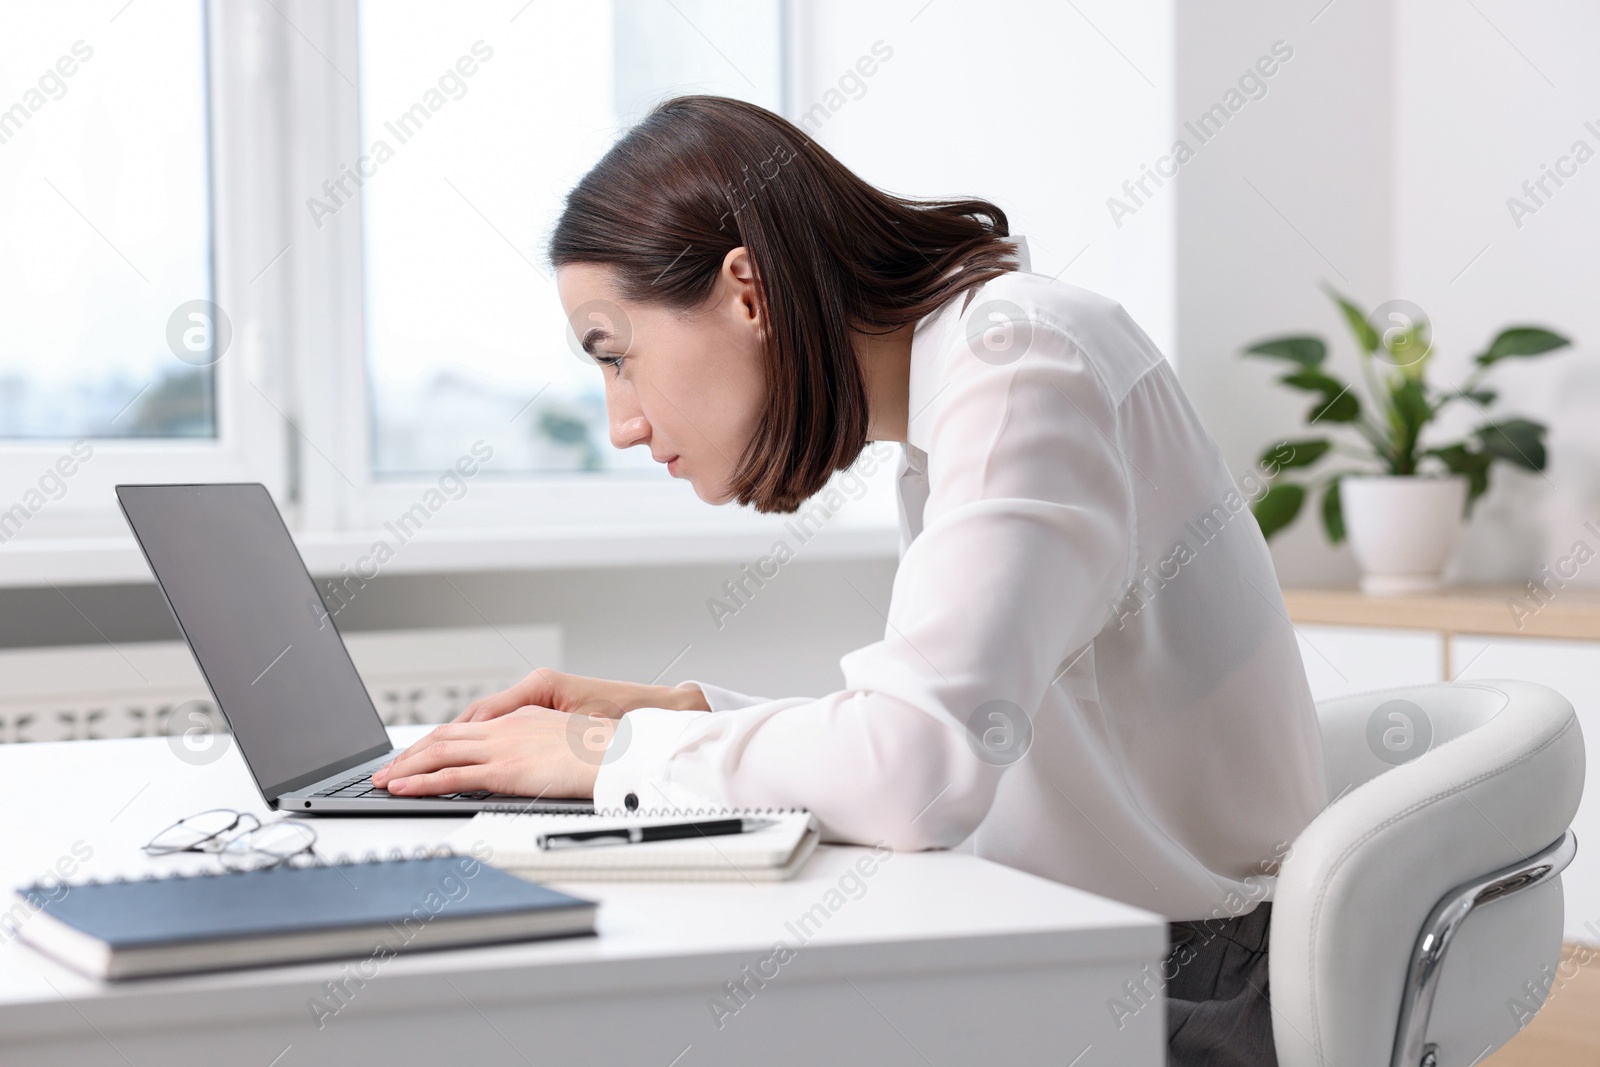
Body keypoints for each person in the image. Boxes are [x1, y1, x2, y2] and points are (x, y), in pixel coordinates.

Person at [370, 95, 1326, 1065]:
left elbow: (911, 769)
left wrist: (610, 757)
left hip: (1182, 998)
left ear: (749, 291)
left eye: (618, 358)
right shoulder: (972, 381)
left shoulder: (1020, 363)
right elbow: (942, 728)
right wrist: (680, 712)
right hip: (1114, 952)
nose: (620, 420)